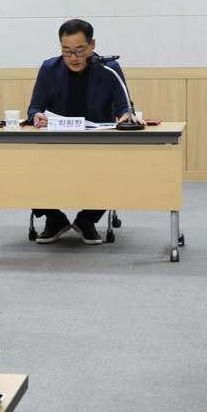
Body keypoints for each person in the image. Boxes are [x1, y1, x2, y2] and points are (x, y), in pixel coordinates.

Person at [26, 18, 135, 244]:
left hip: (98, 144)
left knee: (116, 168)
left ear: (92, 45)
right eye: (66, 51)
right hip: (57, 143)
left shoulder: (109, 69)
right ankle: (54, 219)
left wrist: (126, 114)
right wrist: (36, 116)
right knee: (26, 165)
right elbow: (35, 107)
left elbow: (124, 106)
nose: (73, 58)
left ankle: (87, 220)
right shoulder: (49, 68)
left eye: (79, 50)